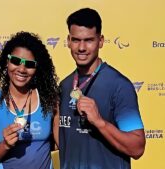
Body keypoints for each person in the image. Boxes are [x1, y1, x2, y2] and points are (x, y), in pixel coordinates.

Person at [55, 8, 146, 169]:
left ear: (101, 41)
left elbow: (137, 147)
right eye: (76, 40)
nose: (81, 48)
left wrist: (99, 122)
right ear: (68, 41)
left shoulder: (119, 86)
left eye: (89, 40)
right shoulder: (64, 86)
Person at [0, 31, 59, 169]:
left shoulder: (50, 99)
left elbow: (63, 145)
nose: (21, 69)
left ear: (37, 68)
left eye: (29, 64)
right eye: (15, 61)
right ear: (7, 62)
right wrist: (5, 145)